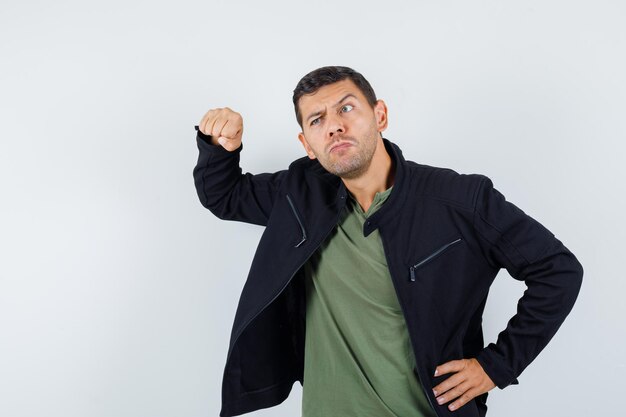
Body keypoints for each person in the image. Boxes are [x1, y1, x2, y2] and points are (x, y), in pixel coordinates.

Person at [192, 66, 583, 417]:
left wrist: (496, 366)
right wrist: (218, 147)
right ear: (307, 144)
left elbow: (558, 270)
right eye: (317, 119)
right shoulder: (299, 195)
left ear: (380, 115)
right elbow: (223, 196)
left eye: (346, 109)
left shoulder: (459, 200)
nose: (334, 126)